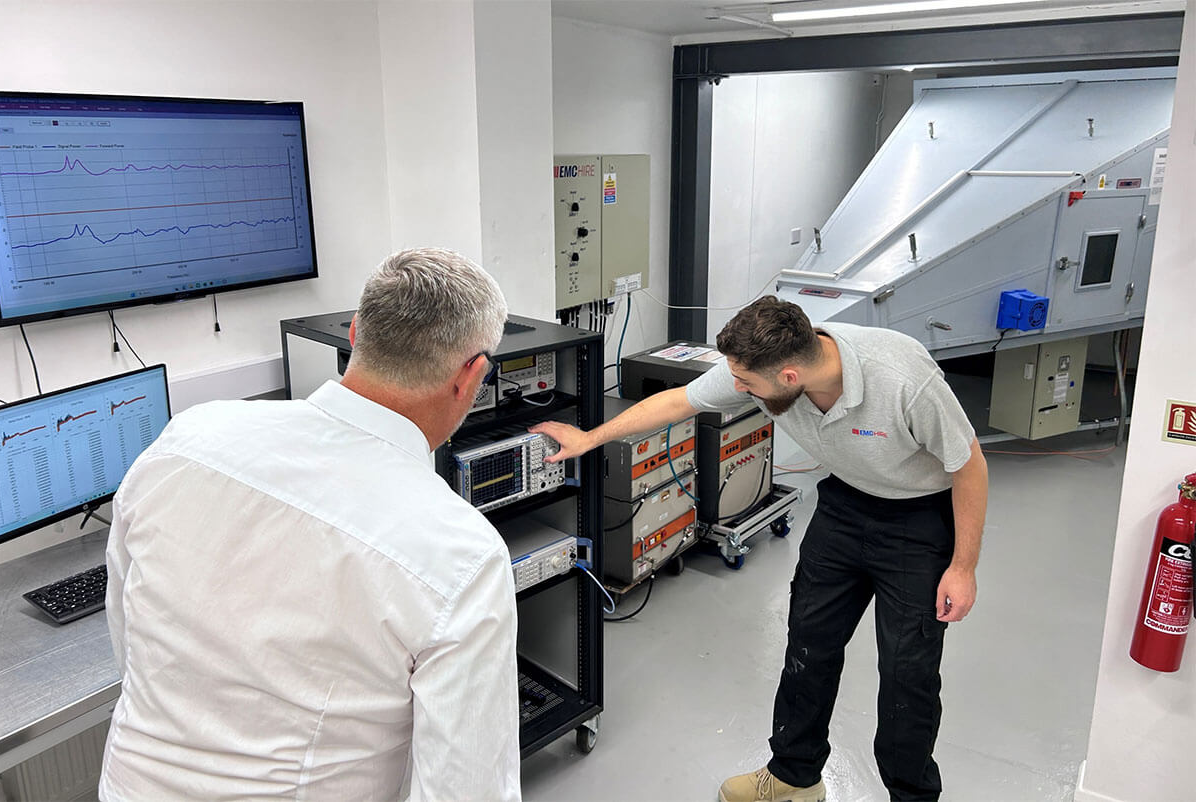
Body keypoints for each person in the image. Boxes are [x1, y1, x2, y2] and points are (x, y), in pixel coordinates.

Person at [100, 248, 520, 802]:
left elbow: (128, 634)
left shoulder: (188, 438)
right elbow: (465, 790)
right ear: (472, 376)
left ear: (353, 334)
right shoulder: (458, 554)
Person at [531, 295, 987, 802]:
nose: (737, 390)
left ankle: (912, 797)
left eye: (747, 385)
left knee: (908, 675)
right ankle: (795, 776)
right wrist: (590, 438)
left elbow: (969, 466)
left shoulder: (903, 378)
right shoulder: (762, 368)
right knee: (808, 646)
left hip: (917, 519)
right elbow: (679, 402)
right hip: (844, 505)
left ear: (789, 376)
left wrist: (962, 566)